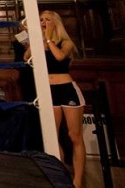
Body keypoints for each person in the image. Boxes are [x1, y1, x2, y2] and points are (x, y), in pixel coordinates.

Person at [25, 10, 85, 188]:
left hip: (67, 89)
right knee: (53, 135)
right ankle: (61, 177)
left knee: (74, 135)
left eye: (47, 20)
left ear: (55, 22)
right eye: (41, 19)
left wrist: (49, 39)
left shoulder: (65, 42)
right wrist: (35, 38)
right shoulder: (40, 43)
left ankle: (78, 180)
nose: (43, 22)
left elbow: (59, 57)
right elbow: (26, 57)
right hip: (48, 90)